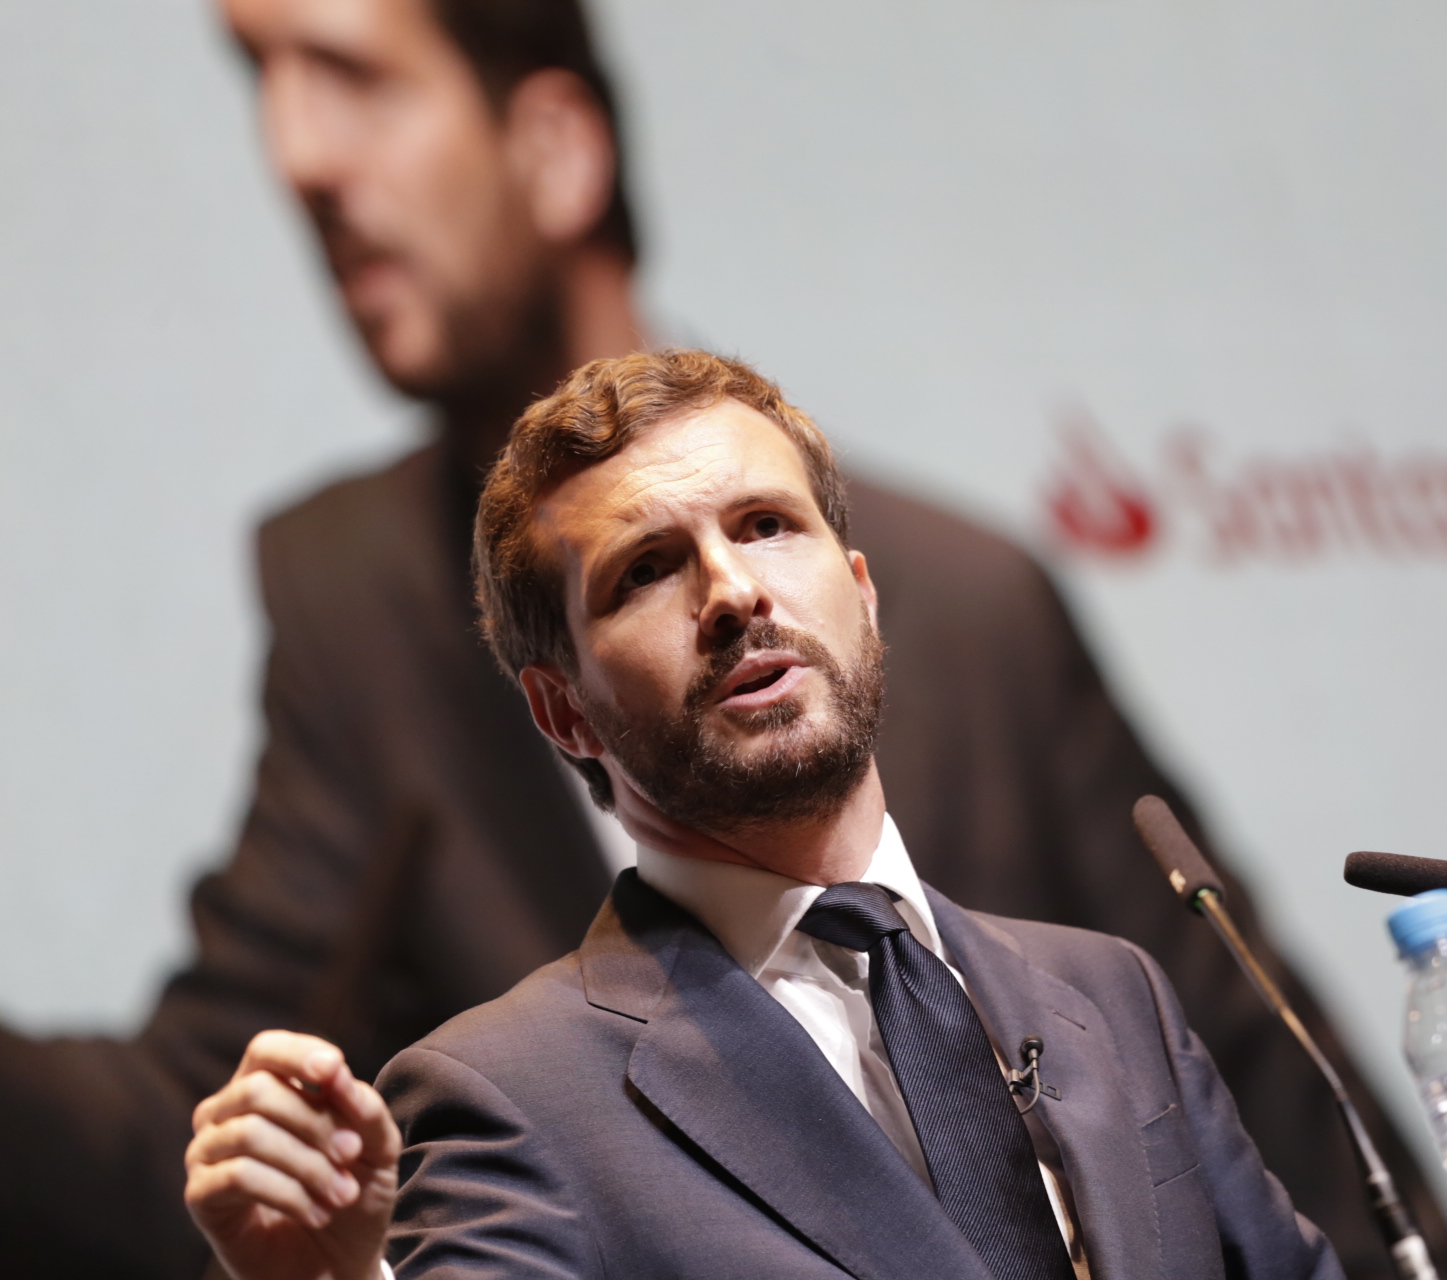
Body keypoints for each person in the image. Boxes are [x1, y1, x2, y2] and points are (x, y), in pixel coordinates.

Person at [0, 2, 1447, 1277]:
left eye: (351, 74)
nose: (297, 157)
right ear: (554, 704)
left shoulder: (975, 603)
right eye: (257, 77)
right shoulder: (357, 601)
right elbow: (218, 1122)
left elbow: (1273, 1110)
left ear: (558, 147)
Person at [184, 350, 1344, 1280]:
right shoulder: (509, 1096)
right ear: (564, 713)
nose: (734, 591)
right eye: (646, 569)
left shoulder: (1111, 998)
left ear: (865, 594)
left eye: (765, 526)